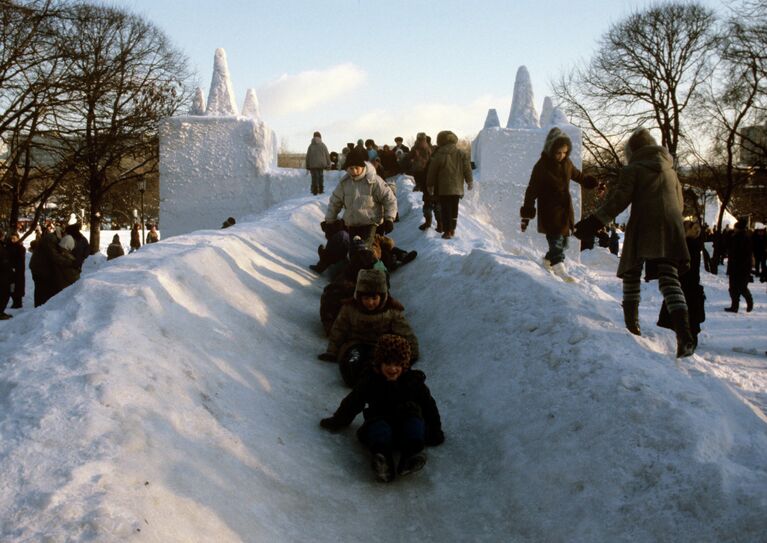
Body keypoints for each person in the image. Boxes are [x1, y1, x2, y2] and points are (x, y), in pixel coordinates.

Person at [574, 127, 695, 358]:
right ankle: (684, 334)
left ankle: (632, 326)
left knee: (631, 271)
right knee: (669, 278)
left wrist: (593, 222)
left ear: (633, 150)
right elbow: (680, 204)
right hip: (671, 226)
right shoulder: (671, 170)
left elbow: (619, 201)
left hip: (644, 225)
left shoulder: (633, 169)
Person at [319, 334, 444, 483]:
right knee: (379, 429)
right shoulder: (370, 381)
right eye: (388, 363)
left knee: (415, 423)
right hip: (380, 418)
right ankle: (383, 461)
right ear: (379, 363)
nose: (392, 369)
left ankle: (411, 456)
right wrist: (337, 421)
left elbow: (429, 406)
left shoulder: (414, 382)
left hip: (406, 421)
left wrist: (435, 430)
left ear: (404, 365)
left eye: (397, 364)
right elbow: (353, 403)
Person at [520, 127, 601, 281]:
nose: (561, 155)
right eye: (558, 152)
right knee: (555, 240)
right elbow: (532, 190)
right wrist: (527, 213)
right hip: (549, 209)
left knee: (564, 243)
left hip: (565, 210)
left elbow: (578, 175)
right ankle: (559, 267)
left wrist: (591, 182)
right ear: (551, 149)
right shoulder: (541, 166)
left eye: (565, 152)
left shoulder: (567, 163)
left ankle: (547, 261)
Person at [317, 268, 418, 387]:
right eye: (366, 298)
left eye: (374, 298)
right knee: (351, 367)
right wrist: (332, 352)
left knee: (384, 368)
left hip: (382, 346)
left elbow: (406, 332)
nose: (370, 302)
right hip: (355, 344)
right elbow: (339, 329)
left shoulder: (392, 310)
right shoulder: (350, 308)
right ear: (359, 297)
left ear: (382, 296)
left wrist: (411, 355)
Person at [323, 147, 397, 250]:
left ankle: (391, 256)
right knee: (354, 251)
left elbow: (389, 199)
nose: (354, 171)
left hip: (372, 224)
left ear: (362, 166)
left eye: (356, 167)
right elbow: (334, 202)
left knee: (366, 249)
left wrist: (389, 218)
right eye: (351, 168)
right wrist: (329, 222)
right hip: (353, 225)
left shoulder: (374, 181)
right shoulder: (344, 183)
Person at [657, 219, 706, 349]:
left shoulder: (687, 245)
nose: (697, 230)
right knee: (689, 319)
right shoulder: (692, 244)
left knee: (679, 315)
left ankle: (679, 344)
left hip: (685, 286)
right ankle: (683, 342)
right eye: (694, 228)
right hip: (689, 287)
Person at [426, 130, 473, 240]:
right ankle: (452, 229)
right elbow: (467, 169)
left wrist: (430, 184)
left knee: (445, 208)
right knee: (454, 208)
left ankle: (447, 230)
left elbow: (432, 171)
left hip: (443, 187)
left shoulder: (439, 153)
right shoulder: (461, 153)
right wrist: (469, 181)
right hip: (457, 187)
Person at [724, 218, 754, 313]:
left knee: (741, 287)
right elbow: (728, 246)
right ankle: (734, 306)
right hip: (735, 266)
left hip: (741, 267)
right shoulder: (734, 236)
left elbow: (745, 254)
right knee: (733, 288)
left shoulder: (744, 238)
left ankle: (749, 302)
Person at [7, 233, 26, 309]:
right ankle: (15, 302)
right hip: (11, 271)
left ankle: (18, 303)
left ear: (18, 238)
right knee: (12, 287)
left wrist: (15, 267)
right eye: (11, 238)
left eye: (14, 238)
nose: (12, 240)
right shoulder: (9, 247)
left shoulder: (20, 248)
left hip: (18, 271)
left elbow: (20, 260)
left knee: (18, 287)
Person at [0, 234, 12, 319]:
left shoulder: (3, 245)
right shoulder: (1, 247)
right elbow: (4, 261)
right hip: (2, 274)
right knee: (4, 293)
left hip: (4, 273)